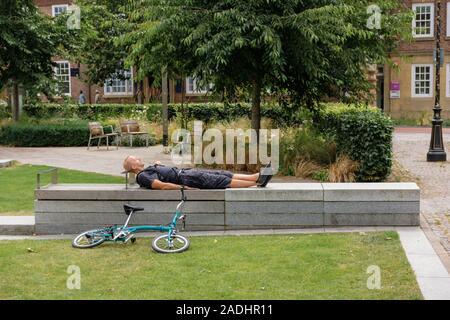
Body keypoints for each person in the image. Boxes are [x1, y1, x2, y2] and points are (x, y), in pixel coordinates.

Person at [122, 156, 273, 190]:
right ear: (133, 166)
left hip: (187, 173)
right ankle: (257, 182)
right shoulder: (142, 177)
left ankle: (257, 176)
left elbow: (160, 175)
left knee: (222, 174)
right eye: (136, 159)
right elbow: (160, 185)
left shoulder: (145, 171)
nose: (139, 159)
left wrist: (158, 166)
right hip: (187, 179)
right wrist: (183, 188)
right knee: (219, 181)